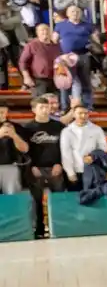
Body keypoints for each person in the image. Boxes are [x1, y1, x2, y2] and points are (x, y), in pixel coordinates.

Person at [18, 96, 65, 238]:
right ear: (34, 109)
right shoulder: (27, 128)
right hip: (36, 169)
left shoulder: (59, 126)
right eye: (41, 107)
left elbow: (65, 148)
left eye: (47, 107)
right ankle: (39, 229)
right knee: (36, 200)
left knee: (58, 199)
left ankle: (59, 227)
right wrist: (31, 166)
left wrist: (60, 163)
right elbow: (24, 151)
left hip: (55, 168)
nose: (45, 110)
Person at [59, 104, 107, 191]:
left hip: (93, 170)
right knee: (75, 197)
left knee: (94, 196)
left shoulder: (97, 129)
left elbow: (103, 148)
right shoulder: (66, 131)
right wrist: (70, 172)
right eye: (80, 113)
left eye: (86, 113)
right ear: (74, 114)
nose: (83, 116)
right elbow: (66, 153)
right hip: (75, 171)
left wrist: (93, 157)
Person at [0, 107, 29, 196]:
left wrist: (14, 135)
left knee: (12, 197)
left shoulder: (16, 127)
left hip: (10, 167)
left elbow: (25, 149)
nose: (2, 114)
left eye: (3, 112)